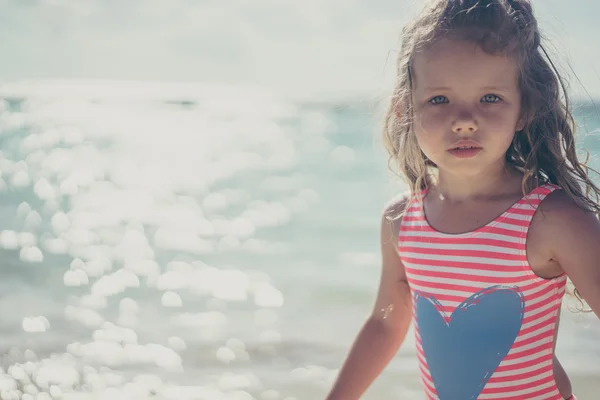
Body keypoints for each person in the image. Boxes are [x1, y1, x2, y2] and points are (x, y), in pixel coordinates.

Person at [325, 0, 600, 399]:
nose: (465, 119)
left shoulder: (551, 219)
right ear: (407, 110)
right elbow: (385, 324)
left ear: (524, 108)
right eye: (440, 100)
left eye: (490, 97)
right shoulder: (402, 220)